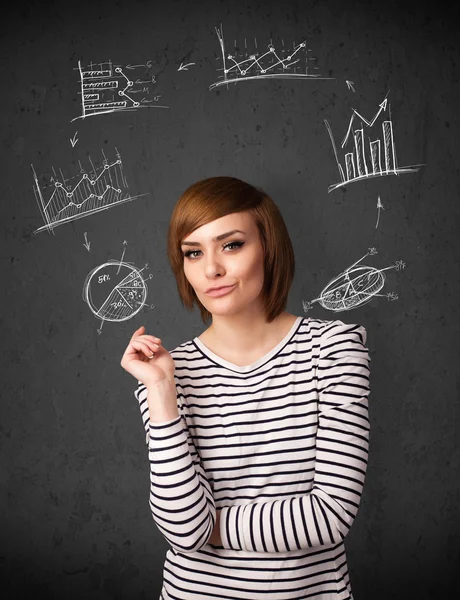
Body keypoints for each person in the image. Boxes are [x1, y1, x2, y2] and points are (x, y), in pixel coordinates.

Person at [120, 176, 370, 600]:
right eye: (193, 252)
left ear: (268, 247)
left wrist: (210, 527)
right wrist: (162, 391)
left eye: (231, 245)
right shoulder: (164, 372)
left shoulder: (334, 350)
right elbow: (182, 529)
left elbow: (330, 515)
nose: (211, 269)